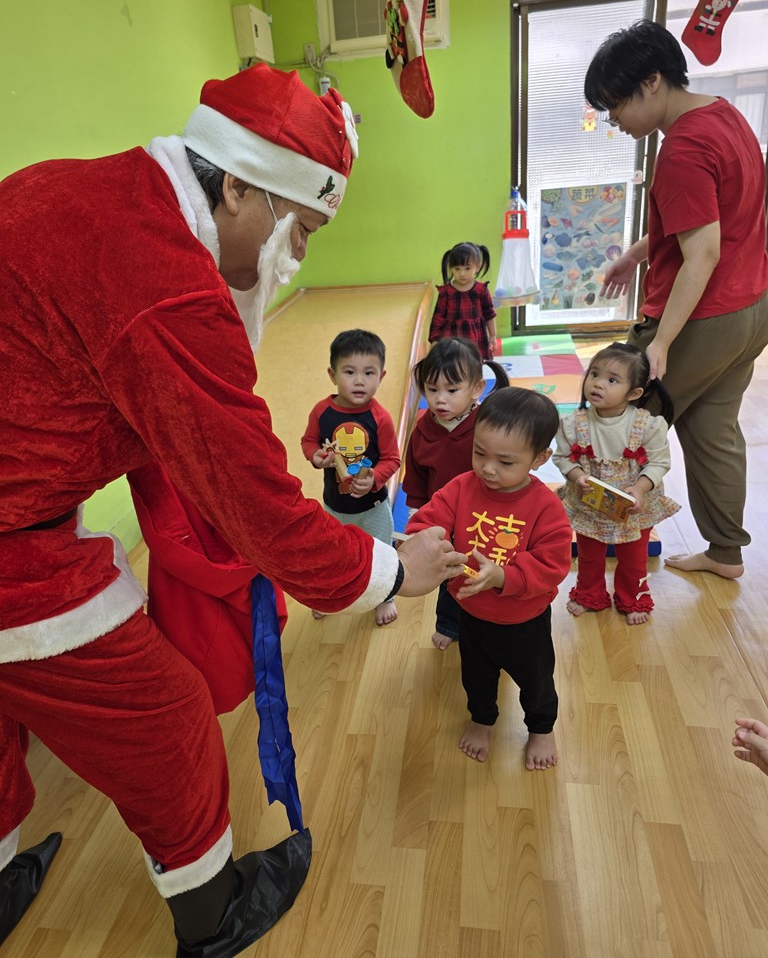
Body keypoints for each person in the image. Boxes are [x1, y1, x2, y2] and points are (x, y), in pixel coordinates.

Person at [0, 63, 469, 956]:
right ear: (240, 187)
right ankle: (211, 917)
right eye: (301, 229)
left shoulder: (83, 187)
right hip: (12, 547)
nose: (297, 258)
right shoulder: (169, 285)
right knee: (165, 718)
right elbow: (254, 497)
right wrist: (388, 572)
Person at [585, 18, 768, 581]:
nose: (615, 121)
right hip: (751, 309)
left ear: (653, 82)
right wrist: (635, 254)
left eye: (616, 106)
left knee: (616, 417)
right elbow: (706, 220)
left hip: (700, 318)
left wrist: (661, 341)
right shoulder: (724, 116)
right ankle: (725, 552)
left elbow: (702, 253)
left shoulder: (682, 149)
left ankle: (604, 537)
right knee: (713, 431)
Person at [406, 387, 573, 768]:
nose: (488, 469)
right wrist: (424, 541)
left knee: (536, 681)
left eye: (505, 461)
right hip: (472, 613)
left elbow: (552, 564)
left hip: (524, 620)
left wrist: (503, 576)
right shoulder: (461, 487)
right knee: (476, 676)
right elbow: (427, 520)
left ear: (539, 458)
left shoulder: (546, 506)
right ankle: (482, 720)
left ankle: (541, 728)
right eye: (480, 453)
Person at [553, 342, 680, 626]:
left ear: (634, 393)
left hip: (633, 509)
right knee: (589, 556)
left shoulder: (647, 425)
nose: (598, 383)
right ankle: (589, 595)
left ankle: (632, 599)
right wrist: (576, 476)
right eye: (594, 374)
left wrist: (640, 488)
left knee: (634, 559)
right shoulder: (573, 423)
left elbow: (659, 463)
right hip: (589, 506)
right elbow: (562, 457)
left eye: (612, 380)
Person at [403, 337, 509, 649]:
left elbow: (506, 466)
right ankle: (449, 625)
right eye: (432, 389)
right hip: (445, 521)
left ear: (477, 389)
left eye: (452, 390)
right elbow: (416, 479)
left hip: (487, 517)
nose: (440, 399)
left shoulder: (486, 426)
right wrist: (417, 515)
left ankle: (495, 623)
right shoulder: (422, 432)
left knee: (489, 569)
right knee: (449, 573)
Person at [301, 329, 401, 626]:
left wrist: (375, 479)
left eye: (369, 373)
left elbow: (392, 459)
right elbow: (309, 441)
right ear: (332, 375)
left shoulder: (380, 418)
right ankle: (333, 596)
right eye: (349, 372)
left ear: (381, 376)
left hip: (373, 508)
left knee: (382, 551)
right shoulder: (321, 412)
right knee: (335, 553)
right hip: (335, 505)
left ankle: (385, 597)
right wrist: (315, 456)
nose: (359, 381)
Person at [428, 242, 498, 361]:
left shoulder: (481, 290)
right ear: (451, 267)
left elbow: (489, 315)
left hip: (476, 338)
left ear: (478, 267)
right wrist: (434, 340)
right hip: (452, 340)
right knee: (454, 365)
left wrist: (493, 336)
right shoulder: (446, 292)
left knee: (474, 364)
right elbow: (438, 317)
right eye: (457, 269)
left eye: (467, 268)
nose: (462, 274)